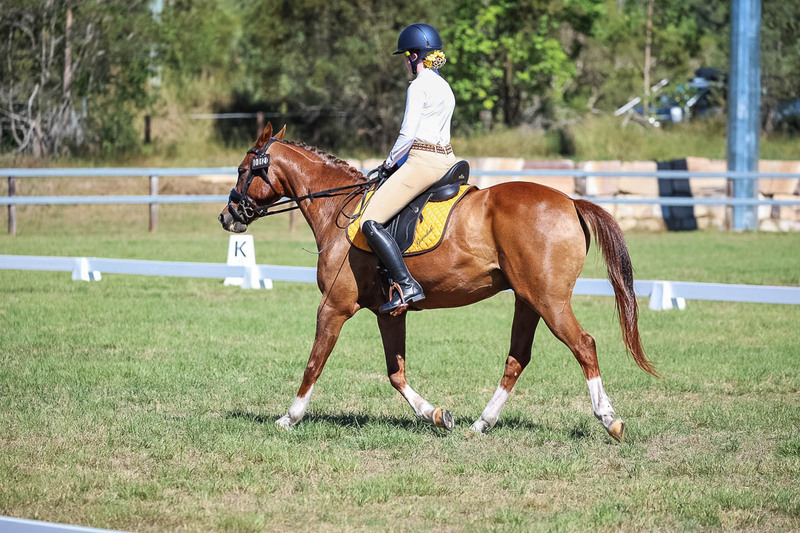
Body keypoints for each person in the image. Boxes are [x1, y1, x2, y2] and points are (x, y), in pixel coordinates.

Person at [360, 23, 457, 315]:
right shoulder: (445, 86)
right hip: (449, 161)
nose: (405, 61)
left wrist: (388, 164)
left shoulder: (418, 86)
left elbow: (407, 134)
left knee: (369, 221)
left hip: (423, 162)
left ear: (415, 56)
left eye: (406, 55)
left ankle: (406, 282)